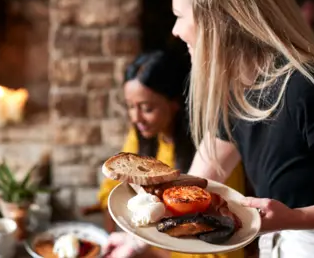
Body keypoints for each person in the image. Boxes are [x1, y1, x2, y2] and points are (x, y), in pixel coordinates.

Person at [103, 0, 314, 257]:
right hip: (284, 242)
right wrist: (134, 240)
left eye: (180, 15)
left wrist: (297, 217)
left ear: (220, 19)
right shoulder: (238, 90)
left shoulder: (310, 88)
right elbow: (203, 177)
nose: (175, 30)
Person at [98, 50, 246, 258]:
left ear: (175, 103)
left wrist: (147, 249)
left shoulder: (212, 151)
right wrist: (116, 237)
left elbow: (218, 246)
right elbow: (110, 192)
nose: (135, 117)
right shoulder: (141, 135)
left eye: (146, 108)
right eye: (130, 107)